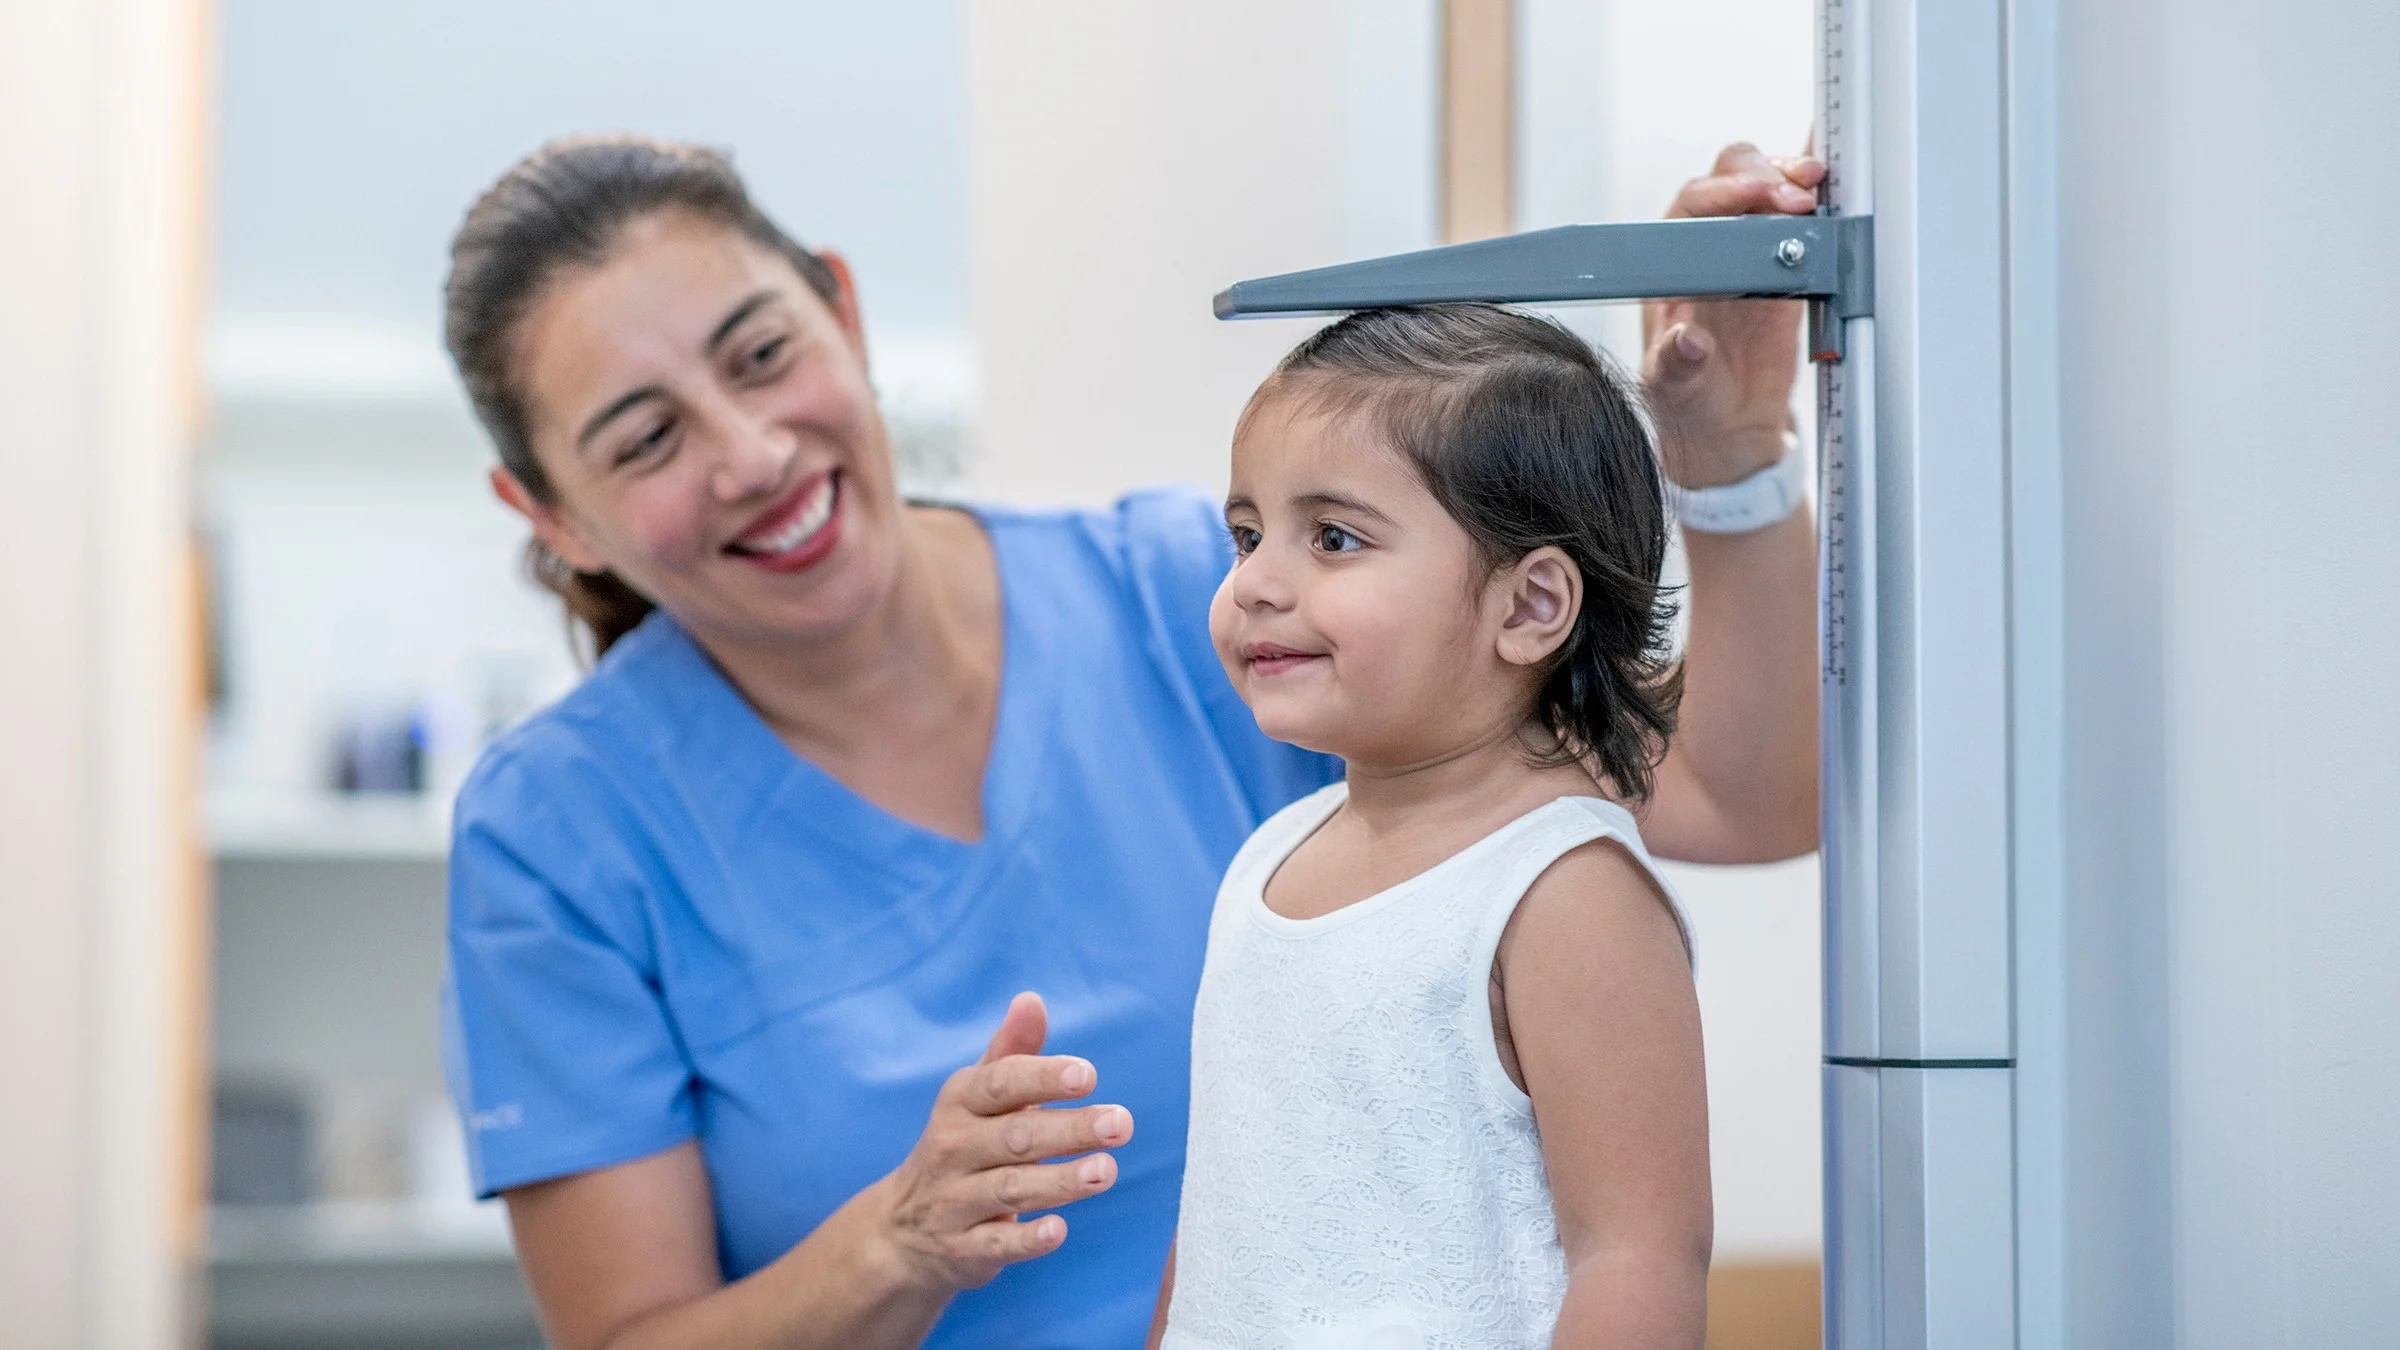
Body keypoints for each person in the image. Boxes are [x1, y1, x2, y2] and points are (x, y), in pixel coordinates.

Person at [438, 134, 1822, 1350]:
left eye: (760, 354)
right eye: (645, 437)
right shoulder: (556, 832)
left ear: (844, 313)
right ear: (546, 512)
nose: (748, 453)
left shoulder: (1204, 612)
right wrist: (897, 1244)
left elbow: (1732, 791)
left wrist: (1725, 441)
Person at [1153, 304, 1707, 1350]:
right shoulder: (1269, 858)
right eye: (1246, 534)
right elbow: (1222, 1231)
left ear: (1530, 605)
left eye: (1333, 538)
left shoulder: (1566, 894)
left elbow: (1637, 1260)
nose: (1255, 583)